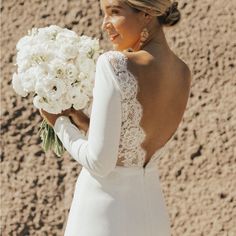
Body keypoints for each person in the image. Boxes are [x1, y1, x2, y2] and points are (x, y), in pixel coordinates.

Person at [40, 0, 191, 235]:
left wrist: (58, 123)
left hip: (104, 214)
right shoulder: (182, 71)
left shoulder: (113, 64)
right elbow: (132, 147)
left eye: (114, 12)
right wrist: (86, 123)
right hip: (151, 212)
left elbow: (100, 163)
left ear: (147, 14)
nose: (104, 25)